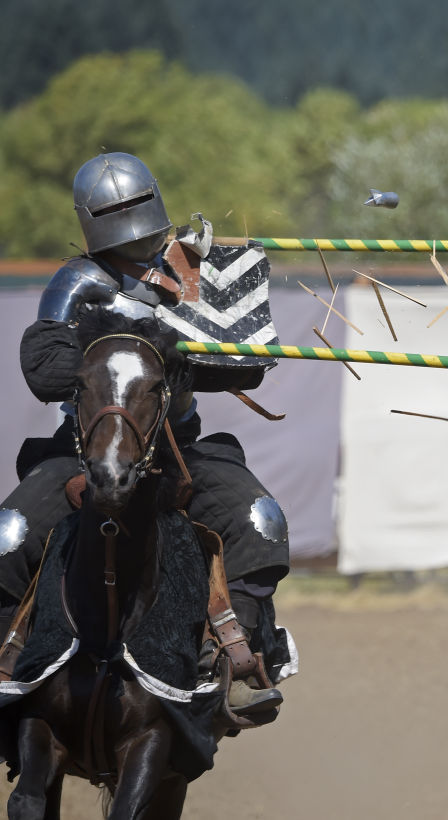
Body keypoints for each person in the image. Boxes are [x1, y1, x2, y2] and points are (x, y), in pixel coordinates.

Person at [0, 152, 289, 715]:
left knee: (260, 519)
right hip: (86, 452)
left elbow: (249, 362)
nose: (128, 218)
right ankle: (6, 662)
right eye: (116, 209)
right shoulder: (80, 281)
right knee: (8, 532)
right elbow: (43, 365)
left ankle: (244, 653)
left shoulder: (194, 268)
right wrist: (118, 361)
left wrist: (182, 361)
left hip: (176, 447)